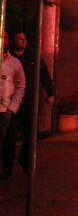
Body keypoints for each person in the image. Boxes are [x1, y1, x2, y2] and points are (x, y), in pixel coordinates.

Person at [2, 32, 55, 179]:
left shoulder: (33, 58)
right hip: (12, 104)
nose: (21, 41)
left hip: (29, 103)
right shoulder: (8, 59)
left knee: (33, 135)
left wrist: (51, 92)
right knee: (10, 137)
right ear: (13, 41)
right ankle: (7, 167)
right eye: (18, 39)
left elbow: (44, 75)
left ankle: (25, 159)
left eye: (23, 39)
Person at [0, 33, 26, 196]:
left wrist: (12, 107)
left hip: (4, 112)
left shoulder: (14, 63)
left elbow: (20, 85)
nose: (4, 41)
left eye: (6, 37)